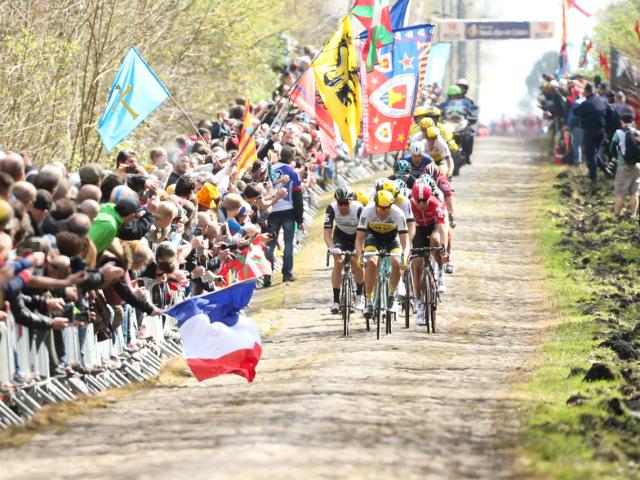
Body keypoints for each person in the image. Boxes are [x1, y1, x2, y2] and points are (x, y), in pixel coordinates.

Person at [356, 190, 409, 318]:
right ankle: (368, 300)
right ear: (375, 205)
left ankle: (392, 296)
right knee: (371, 262)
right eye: (381, 208)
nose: (385, 211)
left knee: (396, 262)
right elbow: (359, 239)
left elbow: (405, 241)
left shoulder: (398, 213)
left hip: (392, 237)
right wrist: (359, 255)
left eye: (387, 208)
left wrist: (405, 259)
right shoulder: (367, 211)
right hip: (373, 236)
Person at [263, 146, 304, 286]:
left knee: (270, 244)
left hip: (271, 211)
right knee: (288, 243)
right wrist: (300, 218)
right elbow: (298, 196)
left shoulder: (270, 169)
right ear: (292, 157)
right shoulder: (293, 172)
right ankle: (287, 274)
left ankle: (267, 276)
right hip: (288, 211)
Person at [409, 182, 447, 325]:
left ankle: (441, 272)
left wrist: (444, 249)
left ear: (429, 197)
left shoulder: (436, 203)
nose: (421, 204)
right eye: (418, 201)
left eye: (424, 200)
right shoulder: (409, 205)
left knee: (435, 240)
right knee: (416, 265)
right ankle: (419, 303)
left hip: (434, 226)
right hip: (417, 229)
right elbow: (407, 230)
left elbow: (443, 227)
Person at [323, 186, 365, 313]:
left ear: (351, 201)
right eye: (340, 203)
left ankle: (359, 295)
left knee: (356, 260)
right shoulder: (331, 208)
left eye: (345, 203)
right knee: (338, 261)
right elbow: (327, 234)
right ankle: (336, 301)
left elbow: (364, 233)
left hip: (356, 236)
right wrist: (332, 248)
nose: (342, 207)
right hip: (340, 235)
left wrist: (360, 250)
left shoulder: (359, 209)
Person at [574, 83, 608, 185]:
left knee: (590, 154)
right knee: (595, 153)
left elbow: (575, 112)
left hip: (590, 132)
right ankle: (605, 169)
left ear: (586, 92)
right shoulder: (603, 101)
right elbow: (610, 112)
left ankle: (593, 178)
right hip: (601, 131)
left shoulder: (586, 103)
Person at [610, 112, 640, 217]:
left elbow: (612, 148)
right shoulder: (638, 133)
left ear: (622, 122)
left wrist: (617, 157)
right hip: (637, 165)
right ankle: (633, 215)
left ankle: (616, 214)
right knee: (635, 192)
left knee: (620, 193)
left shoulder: (618, 132)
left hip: (623, 164)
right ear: (632, 122)